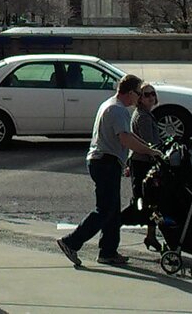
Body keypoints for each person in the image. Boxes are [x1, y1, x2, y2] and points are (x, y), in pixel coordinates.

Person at [56, 74, 158, 267]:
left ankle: (108, 252)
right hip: (105, 162)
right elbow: (125, 139)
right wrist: (150, 151)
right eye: (138, 93)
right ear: (130, 93)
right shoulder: (118, 110)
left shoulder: (111, 105)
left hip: (105, 161)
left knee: (112, 211)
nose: (139, 98)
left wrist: (147, 149)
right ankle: (71, 242)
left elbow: (129, 138)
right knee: (104, 210)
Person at [127, 82, 163, 251]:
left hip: (142, 162)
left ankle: (151, 236)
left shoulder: (146, 114)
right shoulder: (142, 117)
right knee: (143, 202)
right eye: (146, 94)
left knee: (152, 201)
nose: (151, 97)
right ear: (139, 98)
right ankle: (112, 224)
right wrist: (159, 151)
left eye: (152, 94)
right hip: (142, 163)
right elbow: (149, 144)